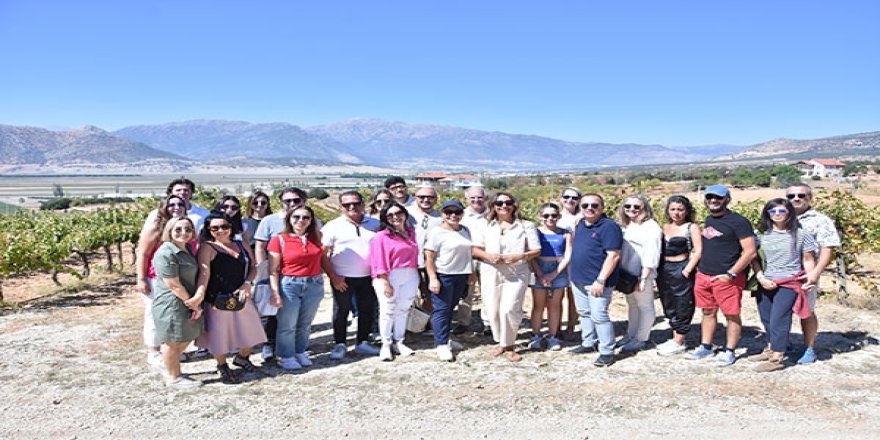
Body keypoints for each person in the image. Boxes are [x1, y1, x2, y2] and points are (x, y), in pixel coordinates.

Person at [685, 184, 757, 367]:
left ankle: (729, 350)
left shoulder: (739, 222)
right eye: (710, 198)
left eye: (718, 197)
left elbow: (750, 252)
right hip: (704, 275)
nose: (713, 201)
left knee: (731, 315)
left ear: (728, 199)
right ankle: (706, 346)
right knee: (707, 312)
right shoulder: (709, 220)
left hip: (727, 278)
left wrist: (730, 274)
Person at [194, 211, 266, 383]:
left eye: (224, 226)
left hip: (241, 295)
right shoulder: (208, 247)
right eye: (215, 228)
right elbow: (204, 273)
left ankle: (242, 358)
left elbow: (253, 267)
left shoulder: (241, 244)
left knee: (252, 330)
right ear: (209, 230)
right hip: (217, 298)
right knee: (220, 335)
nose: (220, 230)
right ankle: (222, 365)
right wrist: (199, 296)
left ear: (231, 227)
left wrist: (247, 283)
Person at [748, 198, 817, 372]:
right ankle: (771, 348)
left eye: (781, 211)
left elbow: (808, 259)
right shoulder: (761, 235)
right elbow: (754, 259)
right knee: (767, 318)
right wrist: (760, 277)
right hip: (765, 281)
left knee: (780, 318)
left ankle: (778, 356)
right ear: (767, 214)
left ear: (789, 213)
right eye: (773, 212)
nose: (777, 215)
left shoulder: (801, 234)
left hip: (789, 282)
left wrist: (810, 279)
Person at [267, 206, 339, 370]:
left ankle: (299, 351)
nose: (301, 221)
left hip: (314, 284)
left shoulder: (316, 237)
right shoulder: (279, 240)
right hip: (290, 284)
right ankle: (285, 356)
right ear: (289, 219)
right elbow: (273, 270)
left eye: (306, 217)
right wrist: (275, 292)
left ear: (311, 220)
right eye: (296, 217)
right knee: (288, 323)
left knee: (305, 323)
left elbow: (322, 258)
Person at [472, 193, 540, 362]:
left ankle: (509, 345)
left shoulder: (526, 226)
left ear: (514, 205)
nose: (504, 205)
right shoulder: (484, 225)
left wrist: (520, 256)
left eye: (508, 202)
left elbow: (536, 250)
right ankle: (501, 342)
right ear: (493, 205)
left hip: (516, 273)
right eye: (499, 202)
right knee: (492, 309)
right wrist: (488, 256)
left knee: (509, 309)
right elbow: (475, 249)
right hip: (490, 271)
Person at [253, 187, 318, 361]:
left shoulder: (314, 226)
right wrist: (262, 270)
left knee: (302, 321)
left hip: (311, 280)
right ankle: (275, 349)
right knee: (279, 318)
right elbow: (260, 246)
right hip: (283, 277)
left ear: (303, 201)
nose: (292, 204)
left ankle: (299, 351)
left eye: (296, 201)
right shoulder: (270, 223)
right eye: (287, 201)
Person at [785, 183, 841, 364]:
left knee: (806, 311)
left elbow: (827, 249)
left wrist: (815, 273)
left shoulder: (820, 220)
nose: (796, 199)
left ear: (810, 198)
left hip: (805, 272)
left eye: (801, 195)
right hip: (782, 272)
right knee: (781, 311)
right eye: (791, 196)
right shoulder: (779, 216)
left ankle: (809, 348)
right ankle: (782, 344)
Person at [322, 190, 382, 360]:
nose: (352, 207)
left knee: (366, 310)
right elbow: (322, 254)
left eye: (355, 203)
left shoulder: (375, 224)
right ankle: (340, 344)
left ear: (363, 204)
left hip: (369, 277)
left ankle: (362, 342)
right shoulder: (332, 226)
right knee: (342, 311)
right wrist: (333, 277)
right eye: (347, 204)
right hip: (343, 278)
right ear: (341, 207)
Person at [568, 194, 622, 367]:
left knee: (599, 315)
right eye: (585, 205)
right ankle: (588, 342)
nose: (589, 208)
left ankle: (607, 351)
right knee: (584, 313)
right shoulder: (580, 223)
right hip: (578, 278)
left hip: (597, 281)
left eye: (594, 205)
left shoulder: (609, 227)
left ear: (602, 207)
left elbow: (613, 256)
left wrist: (601, 280)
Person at [150, 216, 204, 389]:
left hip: (185, 300)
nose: (184, 233)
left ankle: (170, 368)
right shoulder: (166, 252)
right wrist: (193, 303)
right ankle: (173, 378)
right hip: (172, 303)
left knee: (184, 337)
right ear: (170, 231)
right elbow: (173, 284)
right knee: (172, 341)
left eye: (188, 229)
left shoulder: (187, 248)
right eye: (178, 229)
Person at [136, 194, 188, 369]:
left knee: (171, 315)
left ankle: (171, 350)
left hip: (176, 277)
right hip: (155, 278)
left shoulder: (182, 227)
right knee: (153, 315)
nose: (176, 207)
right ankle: (153, 352)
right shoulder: (155, 228)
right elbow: (142, 253)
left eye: (180, 204)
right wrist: (141, 279)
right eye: (171, 204)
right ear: (164, 207)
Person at [369, 201, 420, 361]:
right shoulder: (382, 236)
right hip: (389, 275)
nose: (395, 217)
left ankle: (400, 341)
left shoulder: (412, 233)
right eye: (390, 215)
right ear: (385, 218)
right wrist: (385, 283)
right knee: (388, 310)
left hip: (410, 274)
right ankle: (386, 343)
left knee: (403, 309)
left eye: (398, 213)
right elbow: (378, 261)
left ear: (405, 214)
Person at [424, 200, 474, 361]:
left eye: (457, 212)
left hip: (461, 275)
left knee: (450, 308)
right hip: (443, 275)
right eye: (448, 212)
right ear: (442, 214)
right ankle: (441, 344)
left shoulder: (465, 230)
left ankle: (445, 338)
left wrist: (470, 273)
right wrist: (433, 278)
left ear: (462, 214)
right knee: (441, 310)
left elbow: (469, 253)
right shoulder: (436, 232)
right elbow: (429, 257)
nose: (453, 215)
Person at [655, 195, 703, 356]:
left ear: (687, 210)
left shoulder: (691, 227)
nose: (676, 213)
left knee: (683, 302)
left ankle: (680, 340)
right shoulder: (664, 227)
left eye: (680, 209)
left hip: (681, 267)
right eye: (673, 209)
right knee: (668, 301)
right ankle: (675, 336)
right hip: (663, 268)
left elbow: (698, 250)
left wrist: (688, 269)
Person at [615, 194, 662, 353]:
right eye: (628, 206)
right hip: (627, 273)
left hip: (642, 273)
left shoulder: (650, 226)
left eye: (636, 207)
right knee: (633, 305)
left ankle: (641, 338)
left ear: (645, 208)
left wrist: (643, 277)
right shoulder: (629, 225)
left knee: (645, 305)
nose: (632, 209)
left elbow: (651, 253)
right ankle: (631, 335)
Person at [527, 202, 572, 352]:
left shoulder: (565, 233)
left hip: (558, 270)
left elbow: (568, 255)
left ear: (559, 216)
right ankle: (536, 336)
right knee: (538, 305)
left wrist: (554, 274)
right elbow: (531, 255)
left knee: (555, 305)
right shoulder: (535, 233)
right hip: (539, 267)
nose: (550, 218)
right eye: (546, 215)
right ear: (540, 217)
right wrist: (540, 274)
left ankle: (552, 336)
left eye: (554, 215)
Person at [458, 185, 489, 334]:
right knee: (466, 292)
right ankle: (463, 322)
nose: (476, 200)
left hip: (487, 258)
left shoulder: (492, 215)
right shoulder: (460, 215)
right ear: (466, 199)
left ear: (485, 198)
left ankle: (488, 323)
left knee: (488, 291)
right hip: (466, 258)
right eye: (473, 197)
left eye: (479, 197)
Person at [407, 185, 443, 314]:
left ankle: (427, 320)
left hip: (432, 262)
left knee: (429, 293)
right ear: (415, 198)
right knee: (408, 293)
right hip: (409, 260)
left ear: (436, 199)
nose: (426, 200)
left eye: (430, 197)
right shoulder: (406, 214)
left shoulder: (441, 217)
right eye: (422, 197)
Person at [556, 187, 583, 341]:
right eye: (566, 196)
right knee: (557, 295)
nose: (570, 200)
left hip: (576, 261)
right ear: (561, 198)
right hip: (557, 261)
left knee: (574, 296)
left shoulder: (582, 217)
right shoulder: (554, 216)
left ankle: (571, 327)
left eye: (574, 197)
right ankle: (557, 326)